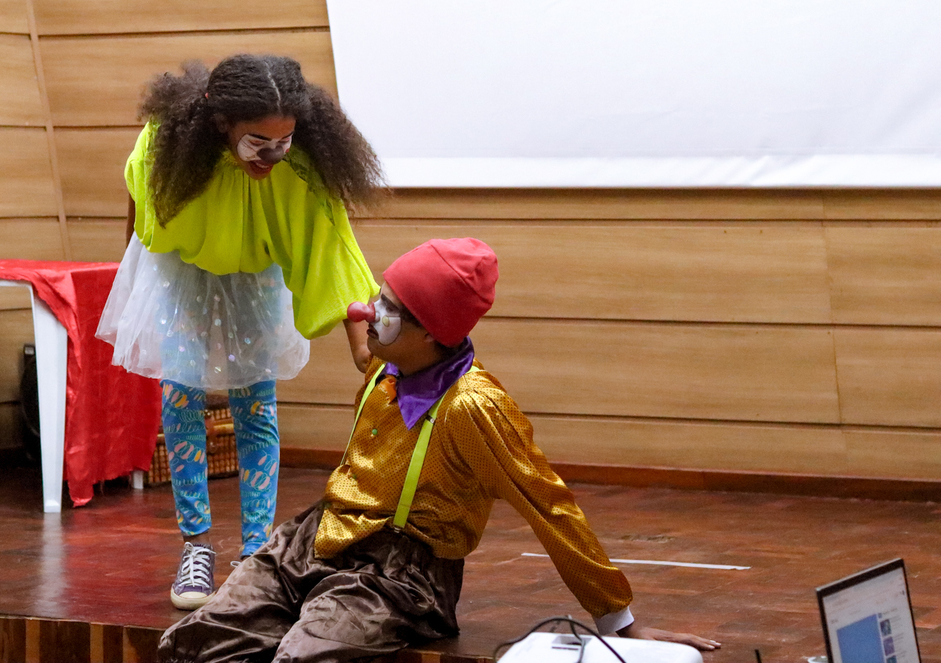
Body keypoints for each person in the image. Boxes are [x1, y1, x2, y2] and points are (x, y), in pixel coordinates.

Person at [158, 238, 721, 662]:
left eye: (387, 308)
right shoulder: (386, 367)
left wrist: (620, 623)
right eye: (378, 297)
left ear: (430, 331)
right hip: (315, 538)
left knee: (302, 658)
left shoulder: (473, 407)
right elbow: (361, 345)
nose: (368, 312)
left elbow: (548, 507)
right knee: (191, 642)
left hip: (401, 574)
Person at [96, 54, 383, 610]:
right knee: (181, 395)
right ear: (221, 123)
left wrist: (360, 345)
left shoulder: (297, 168)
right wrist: (131, 267)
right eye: (258, 144)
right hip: (181, 271)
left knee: (256, 403)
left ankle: (256, 553)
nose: (271, 158)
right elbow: (136, 188)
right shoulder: (166, 144)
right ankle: (196, 546)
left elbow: (331, 248)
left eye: (283, 143)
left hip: (255, 274)